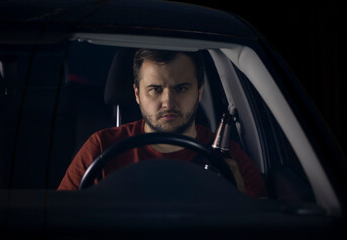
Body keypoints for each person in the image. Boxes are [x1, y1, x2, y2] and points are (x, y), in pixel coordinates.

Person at [58, 49, 268, 198]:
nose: (168, 102)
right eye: (155, 89)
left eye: (182, 88)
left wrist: (238, 197)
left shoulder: (229, 157)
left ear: (199, 91)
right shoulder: (100, 147)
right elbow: (61, 218)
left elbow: (262, 228)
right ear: (138, 94)